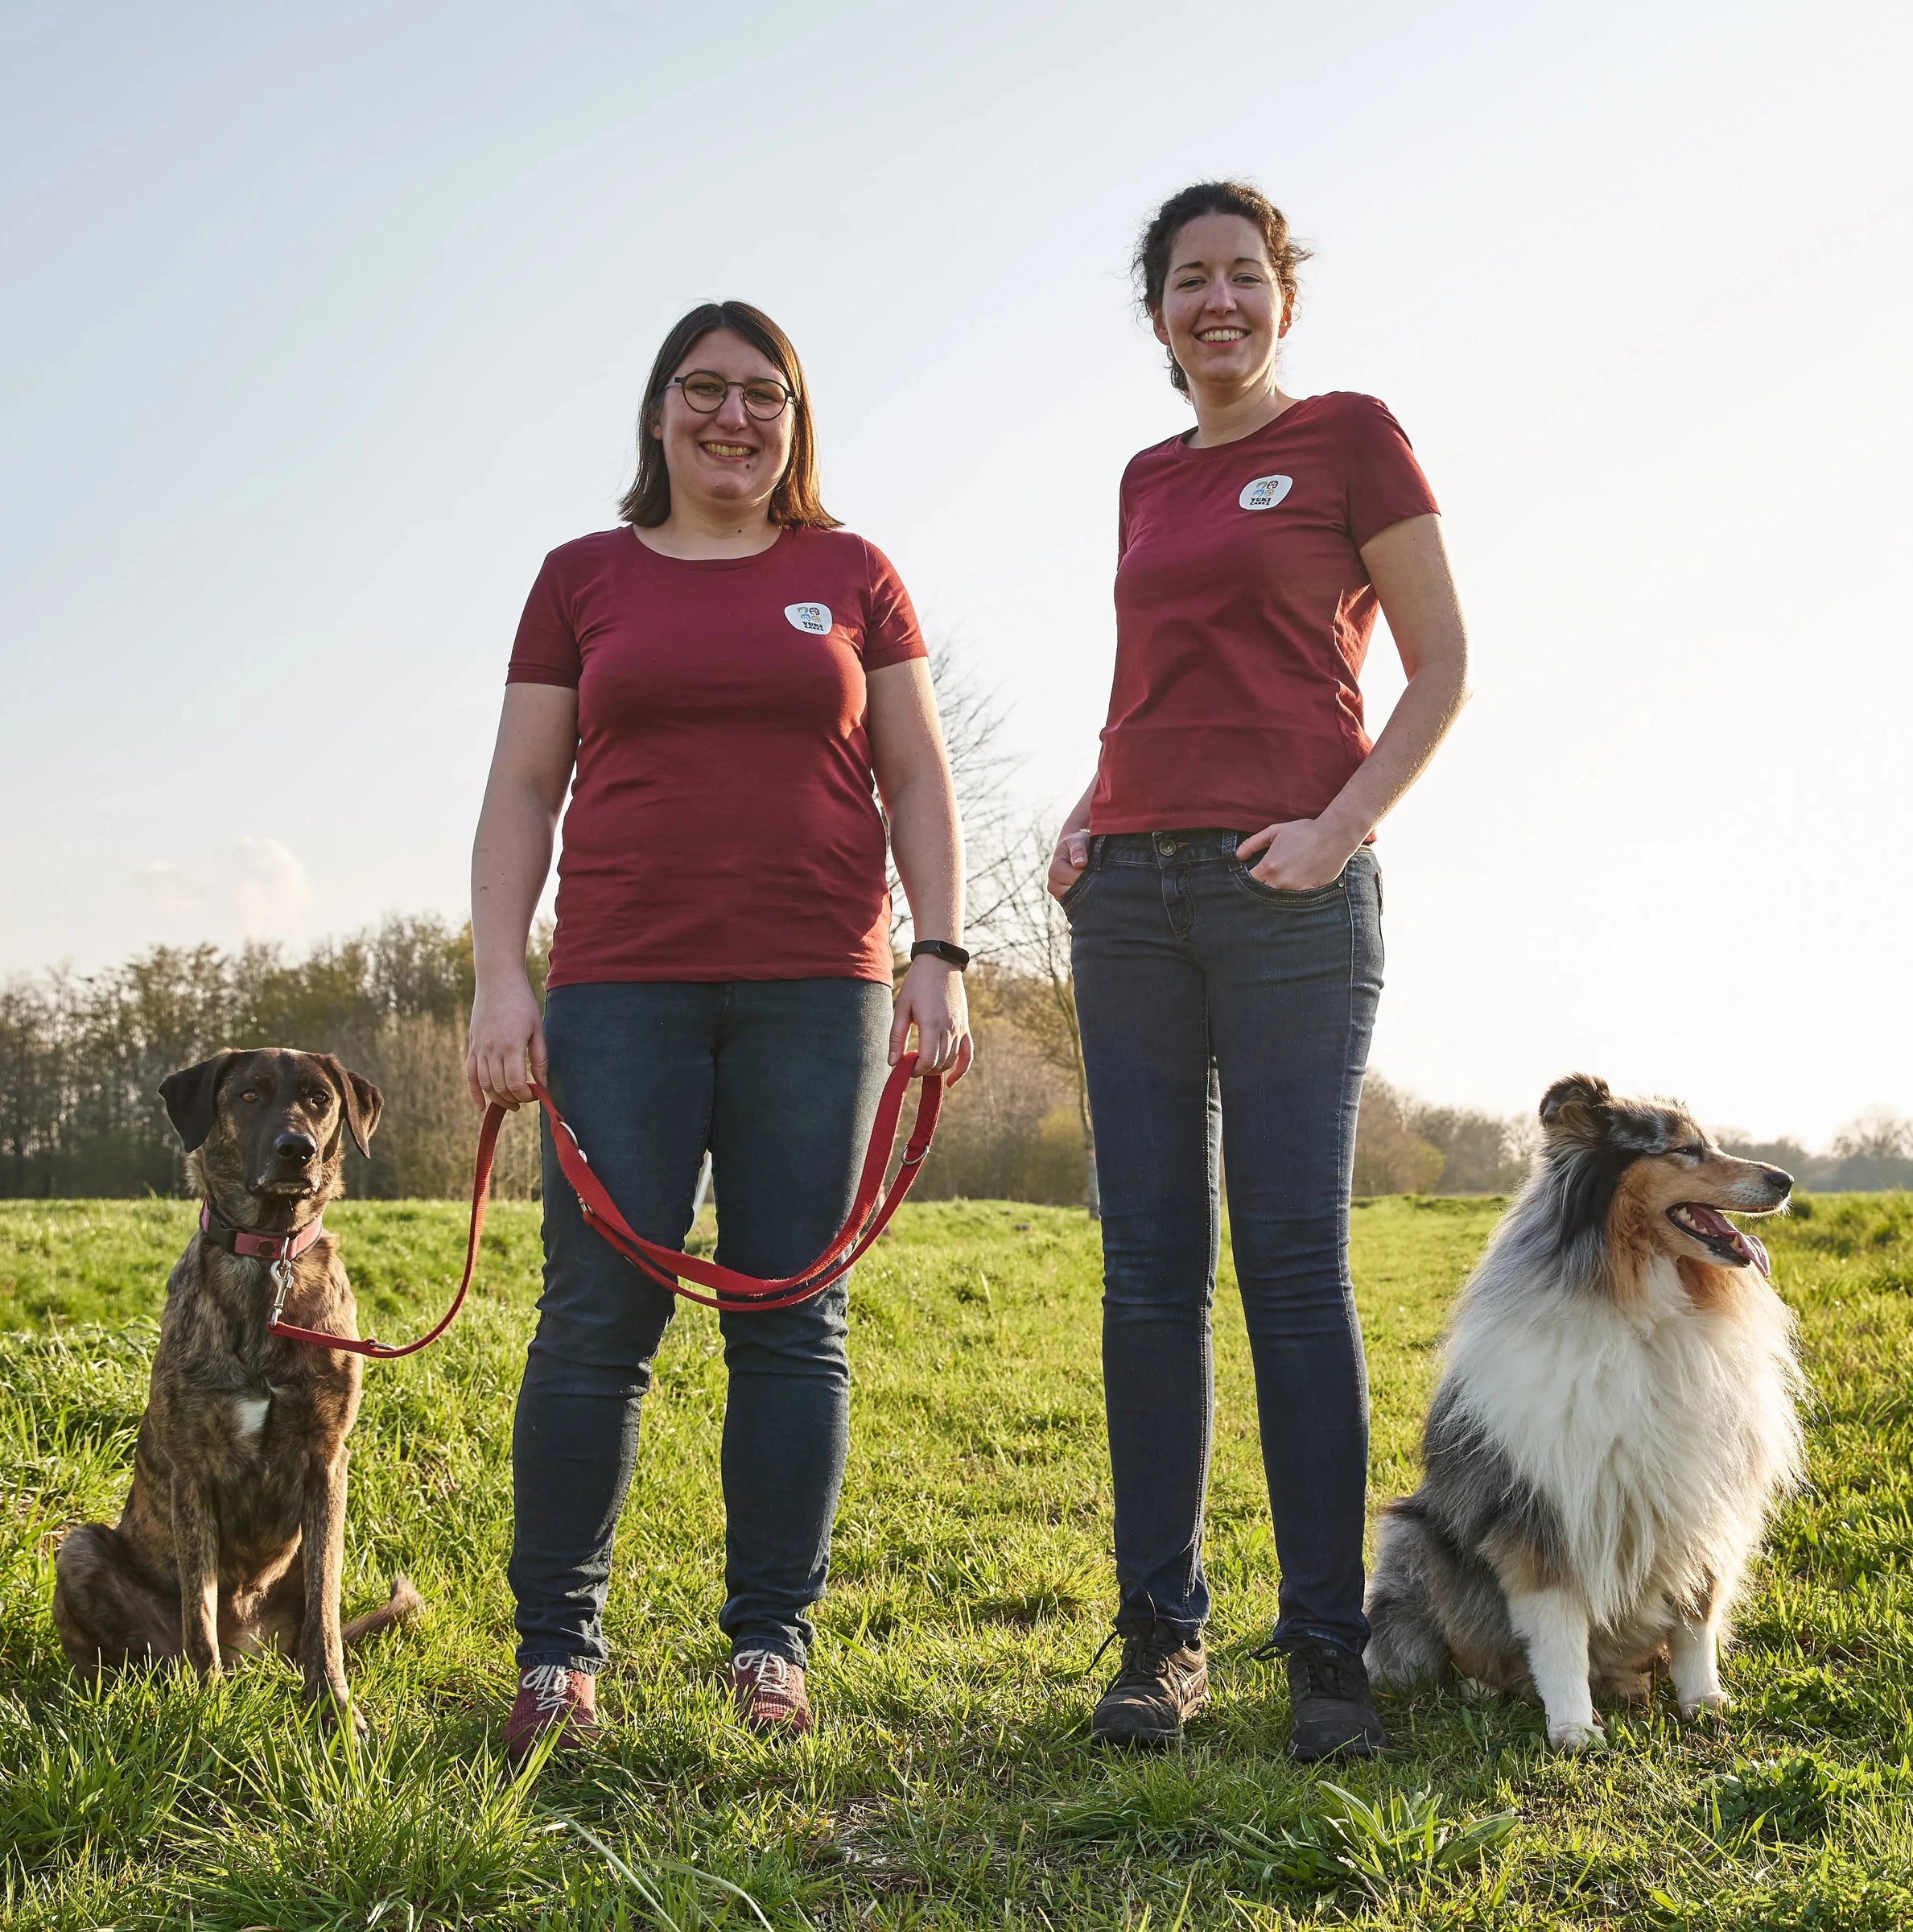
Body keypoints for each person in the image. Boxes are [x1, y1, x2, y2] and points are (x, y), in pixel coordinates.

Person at [468, 300, 971, 1757]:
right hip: (621, 986)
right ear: (657, 413)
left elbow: (919, 778)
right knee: (592, 1321)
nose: (733, 417)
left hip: (822, 985)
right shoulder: (582, 578)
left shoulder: (853, 572)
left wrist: (937, 951)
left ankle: (771, 1646)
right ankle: (559, 1656)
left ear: (796, 420)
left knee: (788, 1313)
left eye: (764, 394)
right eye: (705, 390)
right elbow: (518, 792)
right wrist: (505, 978)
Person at [1049, 183, 1470, 1757]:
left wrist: (1343, 827)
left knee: (1291, 1270)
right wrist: (1093, 808)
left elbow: (1442, 665)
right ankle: (1160, 1640)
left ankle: (1323, 1653)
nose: (1215, 302)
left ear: (1278, 295)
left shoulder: (1354, 436)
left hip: (1289, 899)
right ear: (1156, 314)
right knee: (1148, 1275)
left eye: (1240, 276)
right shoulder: (1146, 480)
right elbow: (1149, 683)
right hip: (1133, 903)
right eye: (1185, 282)